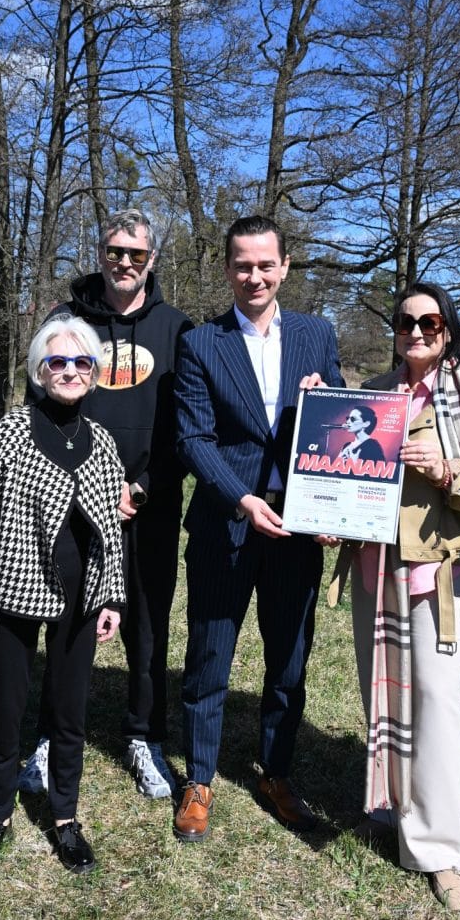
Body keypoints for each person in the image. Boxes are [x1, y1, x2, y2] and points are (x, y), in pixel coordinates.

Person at [330, 284, 460, 912]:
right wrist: (329, 507)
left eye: (429, 321)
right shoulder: (372, 395)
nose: (416, 330)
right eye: (406, 321)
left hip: (443, 570)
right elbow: (341, 466)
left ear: (448, 330)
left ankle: (438, 849)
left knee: (436, 703)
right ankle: (395, 810)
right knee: (383, 694)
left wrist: (449, 470)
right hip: (377, 565)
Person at [172, 215, 344, 843]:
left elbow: (349, 426)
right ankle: (199, 779)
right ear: (227, 270)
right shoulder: (200, 343)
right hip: (228, 519)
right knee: (209, 656)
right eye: (242, 265)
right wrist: (241, 498)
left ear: (285, 267)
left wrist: (326, 399)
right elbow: (193, 438)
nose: (255, 276)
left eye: (266, 264)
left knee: (289, 659)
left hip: (299, 523)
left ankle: (275, 772)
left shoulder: (316, 334)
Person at [22, 208, 192, 801]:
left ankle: (144, 735)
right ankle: (49, 735)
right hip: (71, 504)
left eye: (137, 254)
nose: (125, 262)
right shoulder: (64, 322)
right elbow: (39, 409)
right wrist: (76, 486)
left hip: (150, 502)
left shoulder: (176, 327)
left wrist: (141, 485)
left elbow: (186, 424)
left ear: (152, 260)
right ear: (99, 253)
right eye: (115, 251)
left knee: (148, 623)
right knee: (66, 620)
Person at [0, 315, 126, 878]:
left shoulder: (102, 441)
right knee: (5, 710)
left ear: (95, 373)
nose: (71, 371)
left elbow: (110, 529)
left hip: (82, 598)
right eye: (58, 361)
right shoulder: (10, 431)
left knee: (69, 711)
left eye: (82, 362)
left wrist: (112, 598)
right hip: (14, 587)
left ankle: (64, 818)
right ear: (39, 369)